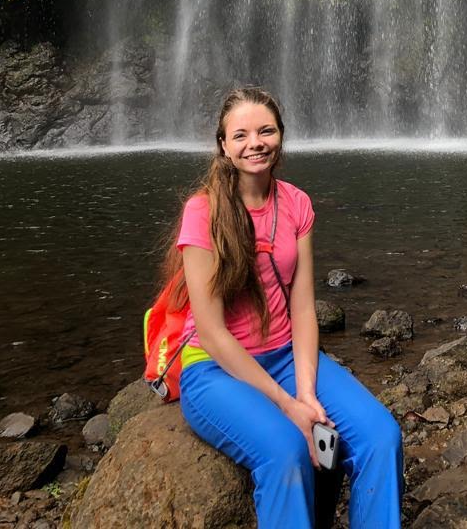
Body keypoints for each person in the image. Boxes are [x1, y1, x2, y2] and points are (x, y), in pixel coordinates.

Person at [163, 86, 403, 528]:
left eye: (265, 131)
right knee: (286, 451)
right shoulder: (203, 212)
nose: (255, 143)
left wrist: (307, 392)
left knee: (381, 437)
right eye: (241, 135)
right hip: (214, 369)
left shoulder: (296, 203)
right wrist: (288, 405)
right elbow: (213, 334)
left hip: (286, 357)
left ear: (281, 137)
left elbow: (303, 308)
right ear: (223, 145)